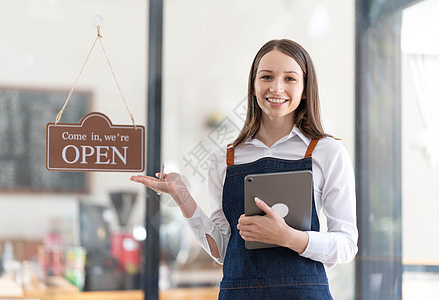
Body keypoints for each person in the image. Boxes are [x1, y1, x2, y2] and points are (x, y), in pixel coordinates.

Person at [131, 39, 358, 299]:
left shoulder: (327, 152)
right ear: (253, 85)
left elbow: (347, 244)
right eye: (267, 76)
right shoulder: (224, 158)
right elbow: (224, 251)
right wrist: (181, 195)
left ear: (306, 88)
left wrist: (288, 237)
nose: (276, 87)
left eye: (290, 78)